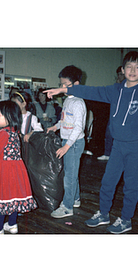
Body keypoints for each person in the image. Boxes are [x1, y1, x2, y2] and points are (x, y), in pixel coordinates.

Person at [44, 52, 138, 233]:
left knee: (131, 185)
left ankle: (126, 219)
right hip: (118, 146)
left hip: (137, 148)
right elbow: (91, 91)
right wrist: (64, 90)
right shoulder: (115, 90)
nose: (132, 71)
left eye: (137, 67)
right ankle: (104, 214)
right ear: (122, 69)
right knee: (108, 182)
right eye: (129, 66)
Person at [0, 100, 37, 234]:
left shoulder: (2, 133)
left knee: (1, 199)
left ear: (9, 117)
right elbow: (6, 153)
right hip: (16, 172)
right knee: (13, 199)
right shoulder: (15, 133)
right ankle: (12, 224)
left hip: (3, 173)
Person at [46, 65, 87, 218]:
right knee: (71, 173)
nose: (62, 88)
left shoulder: (78, 103)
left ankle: (67, 206)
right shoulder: (67, 100)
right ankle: (75, 198)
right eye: (61, 84)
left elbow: (78, 128)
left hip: (74, 143)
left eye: (65, 85)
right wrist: (55, 127)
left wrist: (67, 147)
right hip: (68, 141)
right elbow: (64, 120)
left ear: (75, 84)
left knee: (69, 176)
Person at [97, 66, 125, 161]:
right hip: (114, 115)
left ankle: (119, 156)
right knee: (108, 134)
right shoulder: (116, 87)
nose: (119, 77)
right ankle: (107, 153)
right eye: (118, 75)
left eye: (121, 74)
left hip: (123, 116)